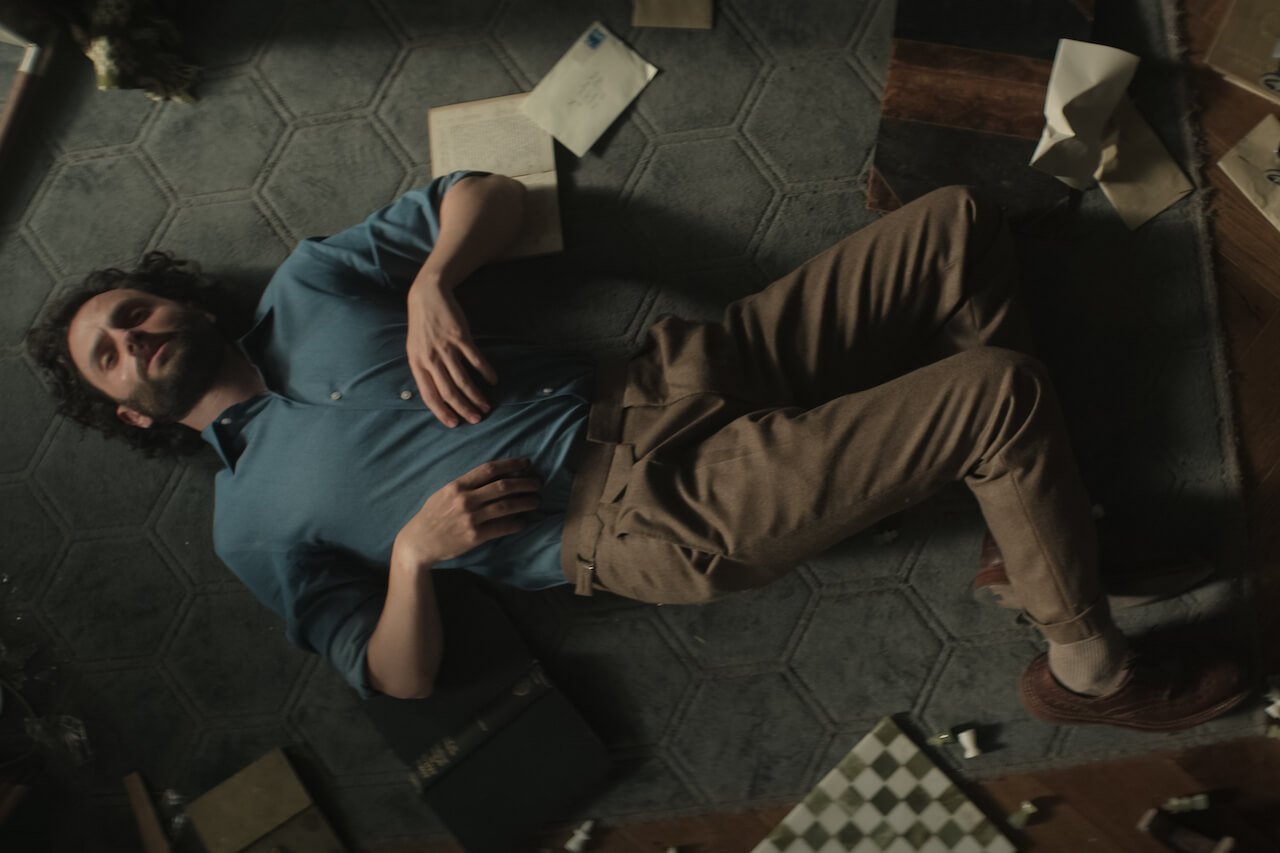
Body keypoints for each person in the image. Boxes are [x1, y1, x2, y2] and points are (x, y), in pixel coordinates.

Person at [27, 172, 1252, 730]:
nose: (133, 337)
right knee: (995, 396)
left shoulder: (306, 282)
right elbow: (393, 678)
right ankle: (1087, 672)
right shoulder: (247, 522)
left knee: (956, 223)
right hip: (641, 512)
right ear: (129, 412)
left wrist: (435, 280)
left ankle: (1035, 546)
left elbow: (487, 193)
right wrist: (409, 558)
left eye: (131, 311)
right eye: (109, 355)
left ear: (171, 297)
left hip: (668, 373)